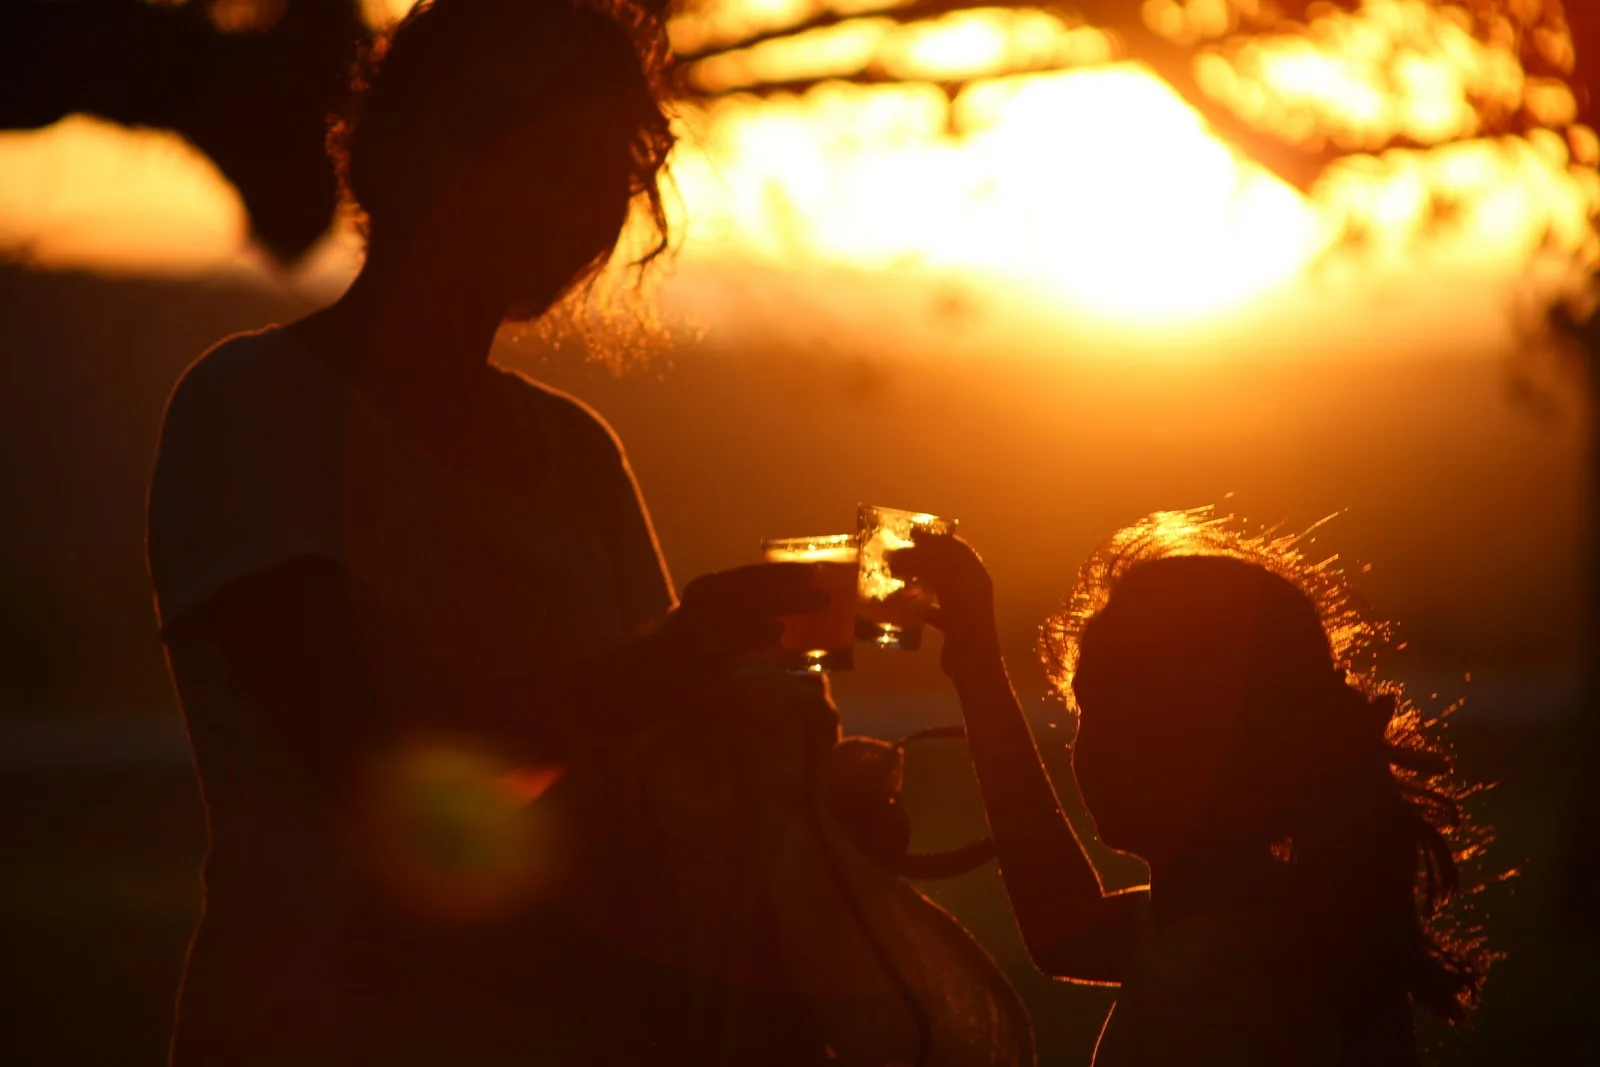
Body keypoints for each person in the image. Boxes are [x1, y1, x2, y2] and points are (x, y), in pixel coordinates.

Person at [145, 2, 837, 1063]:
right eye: (503, 127)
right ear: (390, 145)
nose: (551, 189)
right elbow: (376, 756)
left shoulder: (576, 451)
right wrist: (683, 658)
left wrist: (779, 770)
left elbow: (637, 773)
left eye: (596, 160)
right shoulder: (253, 405)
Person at [893, 511, 1489, 1067]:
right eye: (1093, 706)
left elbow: (1068, 932)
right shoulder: (1249, 919)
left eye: (1150, 714)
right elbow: (1066, 931)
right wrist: (976, 663)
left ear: (1255, 740)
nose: (1103, 745)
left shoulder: (1221, 988)